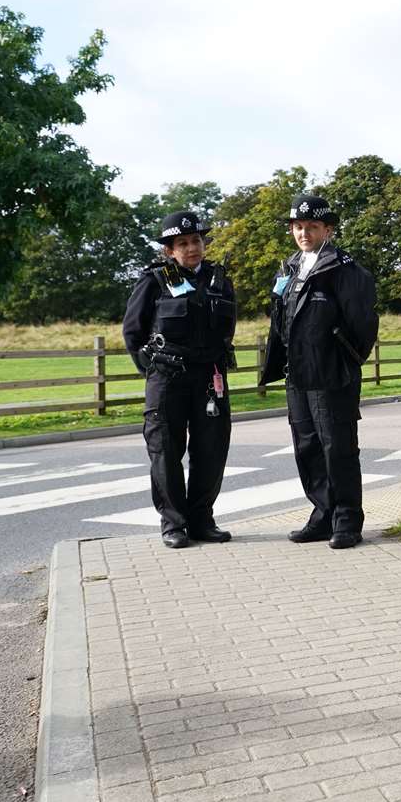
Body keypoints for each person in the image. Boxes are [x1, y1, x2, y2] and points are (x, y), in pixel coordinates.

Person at [258, 195, 379, 550]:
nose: (304, 233)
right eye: (298, 226)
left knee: (337, 447)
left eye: (312, 226)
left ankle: (346, 520)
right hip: (297, 374)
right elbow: (279, 320)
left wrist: (345, 361)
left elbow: (363, 325)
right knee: (307, 446)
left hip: (331, 375)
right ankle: (322, 515)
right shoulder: (289, 269)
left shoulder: (345, 271)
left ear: (328, 229)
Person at [121, 211, 237, 550]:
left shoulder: (219, 279)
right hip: (168, 377)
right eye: (182, 243)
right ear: (170, 250)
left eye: (196, 241)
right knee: (165, 451)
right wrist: (152, 371)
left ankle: (202, 520)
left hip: (209, 378)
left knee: (211, 449)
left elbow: (227, 327)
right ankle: (174, 524)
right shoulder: (155, 280)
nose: (191, 248)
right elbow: (133, 330)